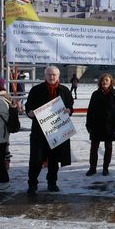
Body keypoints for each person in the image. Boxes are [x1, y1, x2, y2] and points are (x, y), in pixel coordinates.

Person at [25, 66, 74, 195]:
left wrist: (69, 110)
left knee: (54, 160)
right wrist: (29, 112)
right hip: (39, 132)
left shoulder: (64, 90)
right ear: (45, 75)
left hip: (57, 131)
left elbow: (70, 105)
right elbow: (28, 105)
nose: (51, 77)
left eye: (54, 75)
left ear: (58, 76)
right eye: (49, 74)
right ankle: (32, 184)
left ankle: (52, 183)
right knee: (36, 160)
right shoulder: (36, 90)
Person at [86, 73, 115, 176]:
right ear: (100, 82)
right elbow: (90, 110)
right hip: (96, 125)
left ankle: (105, 168)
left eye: (107, 80)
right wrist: (88, 124)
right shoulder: (95, 94)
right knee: (94, 148)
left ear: (111, 82)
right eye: (103, 80)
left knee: (108, 147)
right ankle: (92, 168)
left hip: (109, 126)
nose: (104, 82)